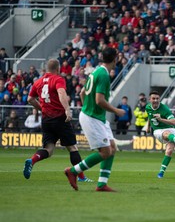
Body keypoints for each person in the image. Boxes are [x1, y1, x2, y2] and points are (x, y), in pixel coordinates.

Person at [64, 47, 126, 192]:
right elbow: (99, 100)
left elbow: (82, 93)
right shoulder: (104, 75)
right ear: (115, 60)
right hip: (92, 118)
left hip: (96, 116)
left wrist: (88, 106)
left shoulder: (96, 71)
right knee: (105, 152)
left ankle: (101, 184)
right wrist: (116, 110)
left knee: (112, 148)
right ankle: (73, 171)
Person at [23, 59, 91, 183]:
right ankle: (81, 177)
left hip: (46, 120)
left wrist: (42, 108)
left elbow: (30, 99)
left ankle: (32, 160)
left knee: (48, 150)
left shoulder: (37, 82)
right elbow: (61, 93)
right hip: (60, 118)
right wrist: (67, 110)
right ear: (58, 68)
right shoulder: (58, 79)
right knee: (72, 148)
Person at [146, 90, 175, 178]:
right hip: (158, 130)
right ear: (149, 99)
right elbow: (149, 116)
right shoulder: (147, 107)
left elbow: (174, 122)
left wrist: (161, 119)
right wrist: (148, 127)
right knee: (166, 133)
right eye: (153, 98)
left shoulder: (164, 109)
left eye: (157, 98)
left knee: (169, 151)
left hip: (170, 128)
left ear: (160, 99)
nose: (155, 100)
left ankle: (161, 173)